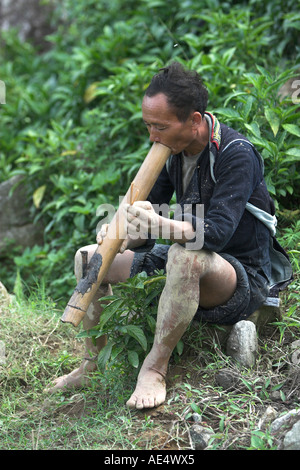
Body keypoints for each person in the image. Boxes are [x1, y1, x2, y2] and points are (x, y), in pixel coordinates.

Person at [45, 62, 292, 409]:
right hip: (185, 259)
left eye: (159, 127)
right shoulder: (173, 151)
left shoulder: (237, 154)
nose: (152, 137)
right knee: (88, 256)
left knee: (184, 255)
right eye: (148, 126)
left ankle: (155, 368)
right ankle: (91, 363)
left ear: (193, 121)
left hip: (239, 277)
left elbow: (216, 234)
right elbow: (147, 220)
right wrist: (121, 234)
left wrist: (157, 224)